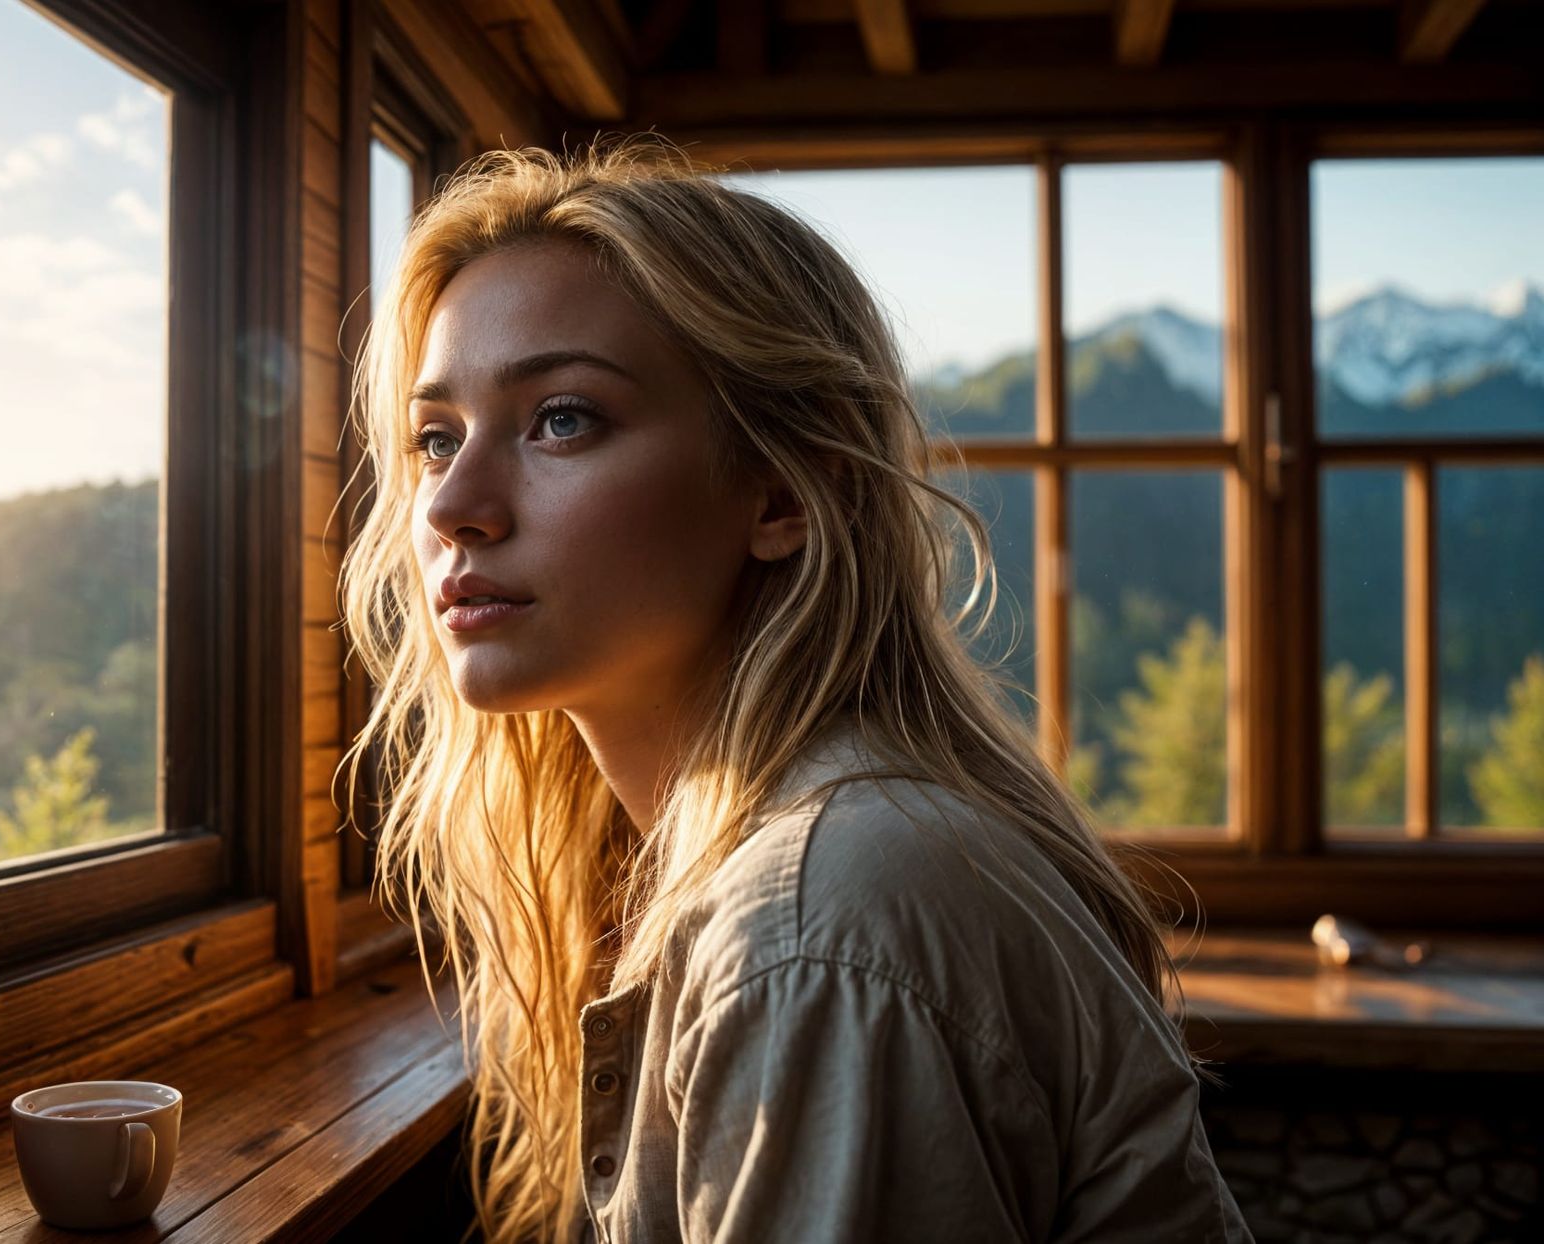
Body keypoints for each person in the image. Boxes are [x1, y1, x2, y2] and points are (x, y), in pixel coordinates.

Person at [339, 137, 1254, 1244]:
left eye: (562, 417)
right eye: (435, 438)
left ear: (781, 490)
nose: (450, 507)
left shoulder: (820, 918)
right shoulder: (720, 871)